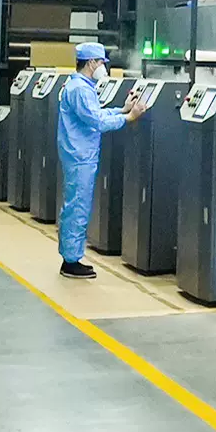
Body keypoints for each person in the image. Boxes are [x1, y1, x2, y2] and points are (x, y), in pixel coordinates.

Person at [56, 43, 147, 279]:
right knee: (78, 207)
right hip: (80, 156)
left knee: (75, 204)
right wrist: (129, 117)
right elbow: (98, 122)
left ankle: (70, 256)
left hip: (77, 154)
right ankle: (71, 261)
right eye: (101, 62)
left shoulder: (78, 85)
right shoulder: (80, 90)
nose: (103, 67)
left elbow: (95, 114)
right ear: (91, 63)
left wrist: (121, 110)